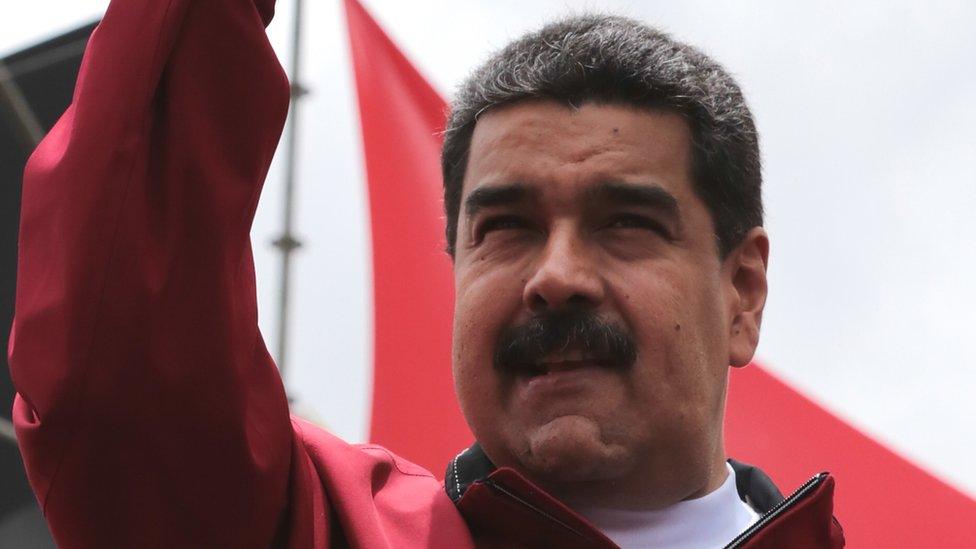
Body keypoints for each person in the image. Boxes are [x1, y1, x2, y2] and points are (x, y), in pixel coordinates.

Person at [9, 0, 843, 547]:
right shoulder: (325, 529)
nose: (555, 276)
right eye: (505, 229)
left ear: (742, 293)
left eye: (625, 223)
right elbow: (124, 369)